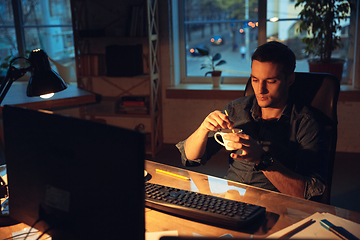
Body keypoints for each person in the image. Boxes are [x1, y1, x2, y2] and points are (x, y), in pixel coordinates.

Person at [176, 41, 327, 201]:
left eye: (270, 81)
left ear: (289, 80)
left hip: (276, 205)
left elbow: (308, 194)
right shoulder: (237, 109)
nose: (260, 90)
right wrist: (203, 128)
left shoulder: (307, 123)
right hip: (232, 200)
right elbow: (190, 158)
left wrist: (262, 159)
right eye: (255, 79)